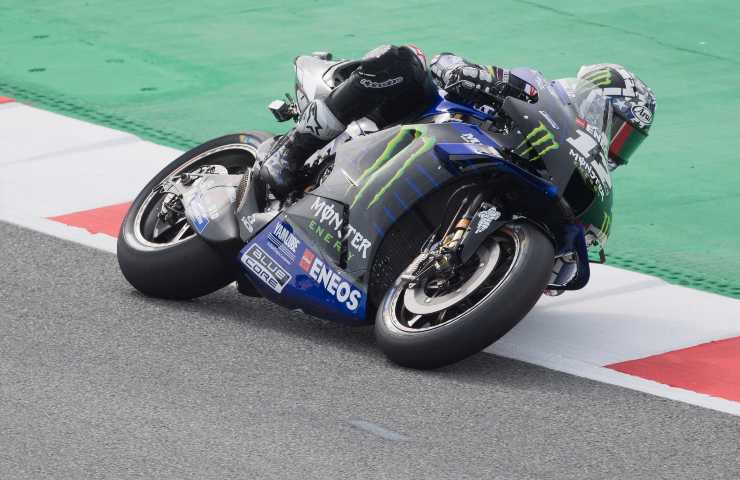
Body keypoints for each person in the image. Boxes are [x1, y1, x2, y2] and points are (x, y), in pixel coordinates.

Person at [259, 45, 656, 195]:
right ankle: (292, 152)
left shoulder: (561, 165)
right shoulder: (535, 97)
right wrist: (465, 73)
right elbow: (447, 62)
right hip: (412, 119)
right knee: (407, 61)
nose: (616, 145)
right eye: (618, 129)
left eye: (627, 142)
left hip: (442, 174)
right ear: (592, 104)